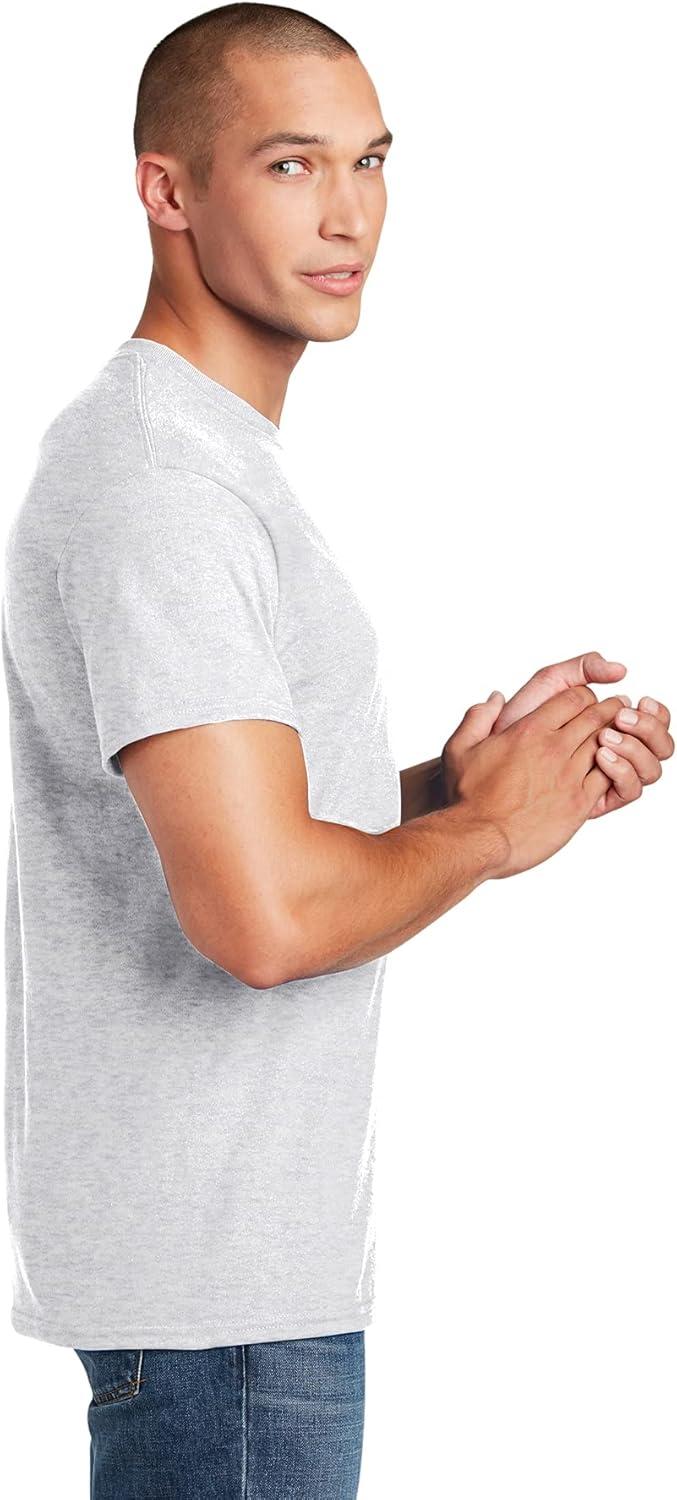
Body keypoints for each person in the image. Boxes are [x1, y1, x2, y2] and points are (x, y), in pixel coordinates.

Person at [2, 5, 672, 1498]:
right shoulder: (162, 484)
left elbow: (227, 830)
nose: (350, 213)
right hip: (222, 1309)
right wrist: (484, 835)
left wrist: (460, 790)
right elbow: (264, 918)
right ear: (168, 189)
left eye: (370, 161)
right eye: (292, 164)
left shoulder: (201, 460)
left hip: (231, 1291)